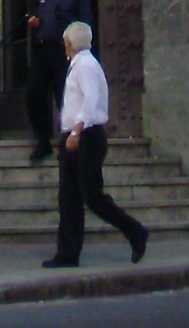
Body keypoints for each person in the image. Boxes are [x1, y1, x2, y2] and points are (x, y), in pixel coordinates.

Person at [42, 21, 148, 269]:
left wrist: (76, 130)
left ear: (69, 43)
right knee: (68, 198)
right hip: (75, 136)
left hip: (86, 136)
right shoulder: (79, 64)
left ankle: (135, 231)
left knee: (91, 195)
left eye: (65, 42)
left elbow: (90, 99)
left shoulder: (85, 66)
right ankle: (67, 253)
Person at [25, 0, 92, 163]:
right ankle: (42, 141)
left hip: (64, 51)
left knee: (65, 95)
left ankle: (69, 141)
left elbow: (85, 21)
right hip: (42, 48)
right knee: (34, 94)